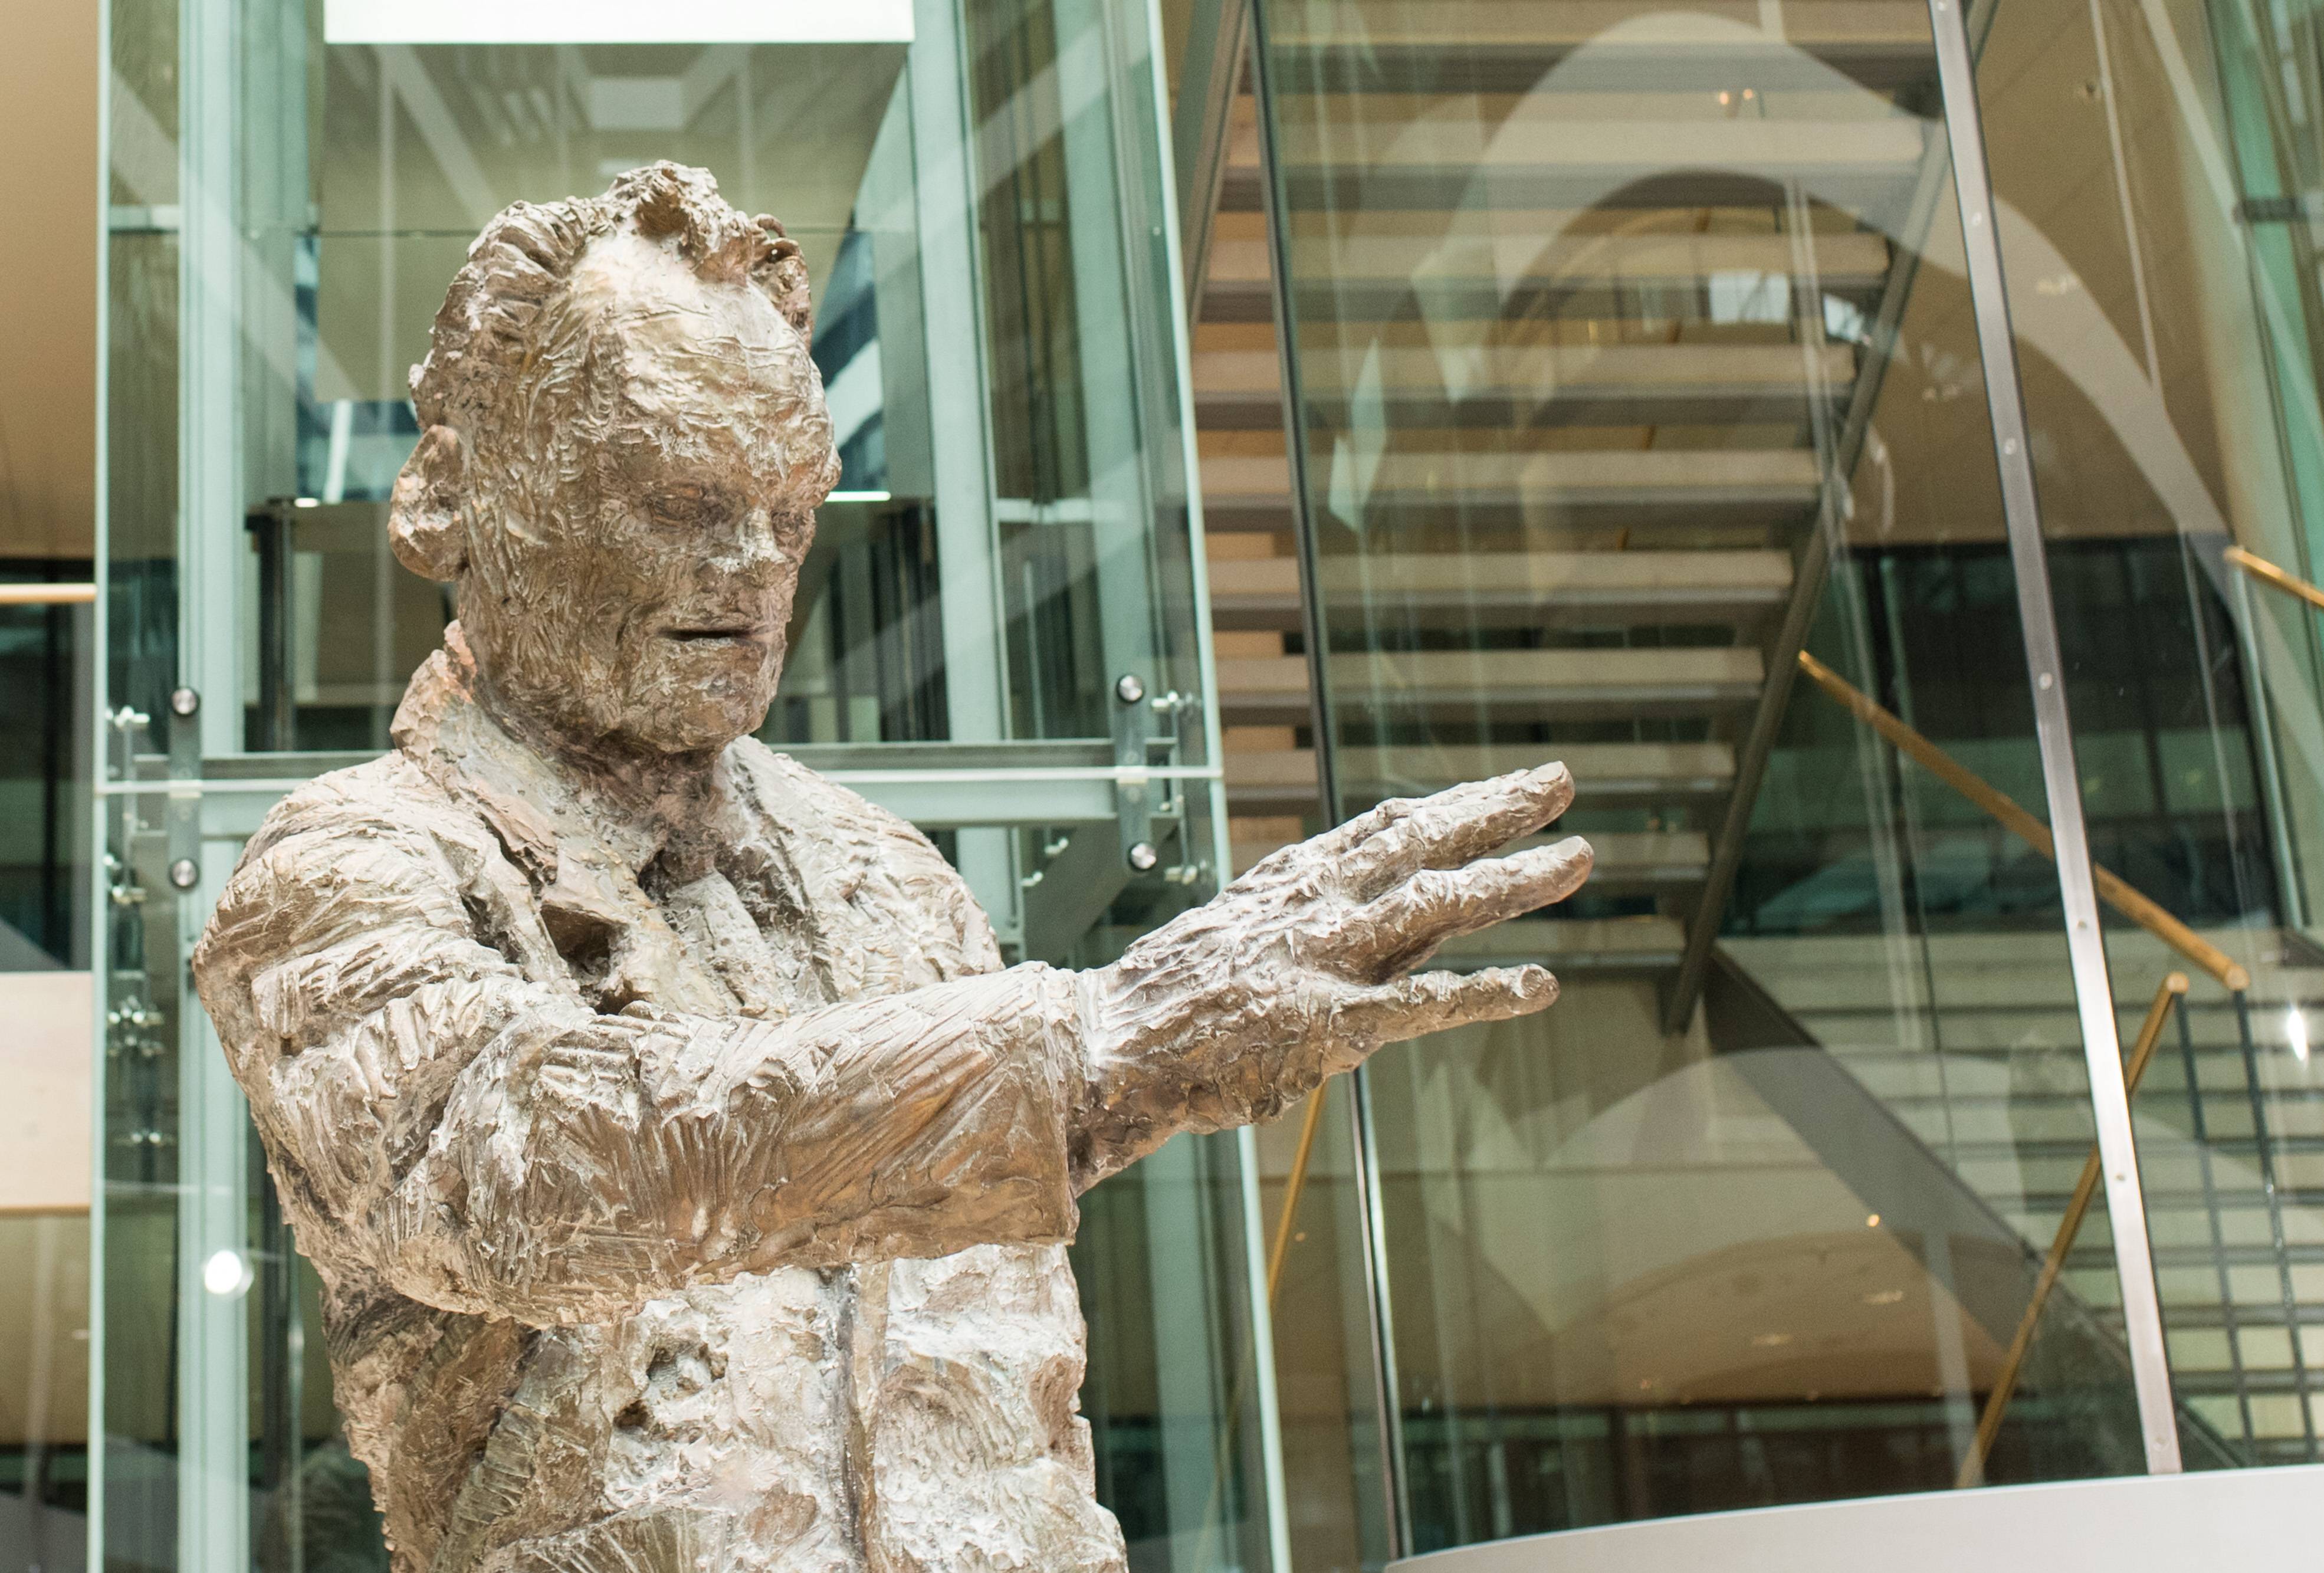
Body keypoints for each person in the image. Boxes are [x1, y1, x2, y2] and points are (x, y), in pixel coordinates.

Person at [192, 163, 1590, 1573]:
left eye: (791, 507)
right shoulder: (348, 865)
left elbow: (1018, 1392)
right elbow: (515, 1164)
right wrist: (1083, 1051)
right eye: (675, 496)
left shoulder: (888, 877)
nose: (751, 567)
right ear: (448, 498)